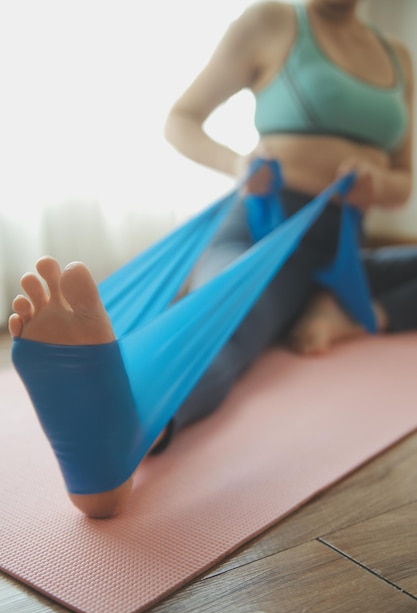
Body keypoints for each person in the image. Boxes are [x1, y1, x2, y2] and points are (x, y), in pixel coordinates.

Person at [9, 0, 415, 518]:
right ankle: (127, 435)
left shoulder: (398, 55)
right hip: (261, 234)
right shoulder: (273, 21)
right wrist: (238, 161)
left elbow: (403, 179)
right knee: (225, 321)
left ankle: (350, 314)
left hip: (342, 251)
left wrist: (380, 184)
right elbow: (181, 119)